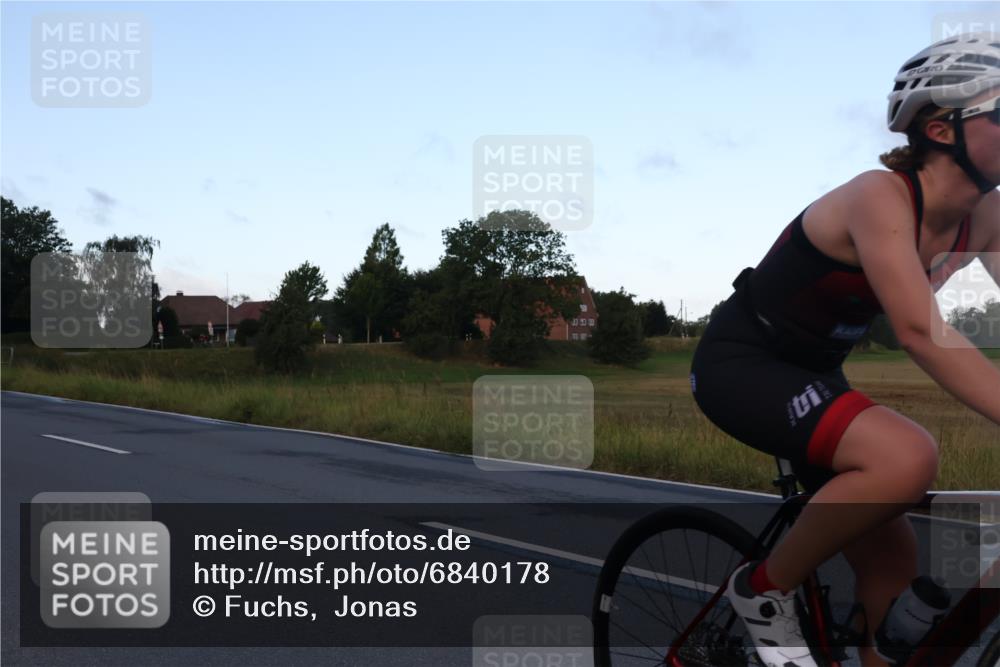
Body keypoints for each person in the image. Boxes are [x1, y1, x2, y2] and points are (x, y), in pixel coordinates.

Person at [689, 33, 1000, 667]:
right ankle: (763, 591)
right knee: (909, 457)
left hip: (814, 378)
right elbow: (919, 329)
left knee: (894, 569)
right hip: (742, 365)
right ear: (943, 129)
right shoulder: (878, 197)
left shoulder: (987, 215)